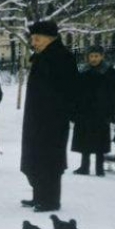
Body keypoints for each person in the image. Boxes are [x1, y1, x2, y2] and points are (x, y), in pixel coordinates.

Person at [20, 20, 78, 212]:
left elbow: (68, 91)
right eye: (32, 39)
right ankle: (39, 196)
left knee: (49, 159)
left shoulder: (62, 57)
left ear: (50, 38)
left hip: (52, 120)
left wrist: (57, 114)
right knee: (36, 157)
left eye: (37, 39)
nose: (33, 43)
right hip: (37, 118)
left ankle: (51, 200)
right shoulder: (42, 57)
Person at [71, 45, 115, 176]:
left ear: (102, 56)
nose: (93, 59)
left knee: (100, 142)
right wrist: (74, 112)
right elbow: (76, 93)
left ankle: (99, 168)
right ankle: (84, 167)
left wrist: (111, 114)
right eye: (91, 56)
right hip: (84, 112)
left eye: (96, 56)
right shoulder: (83, 71)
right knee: (84, 140)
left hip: (101, 112)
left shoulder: (109, 71)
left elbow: (114, 94)